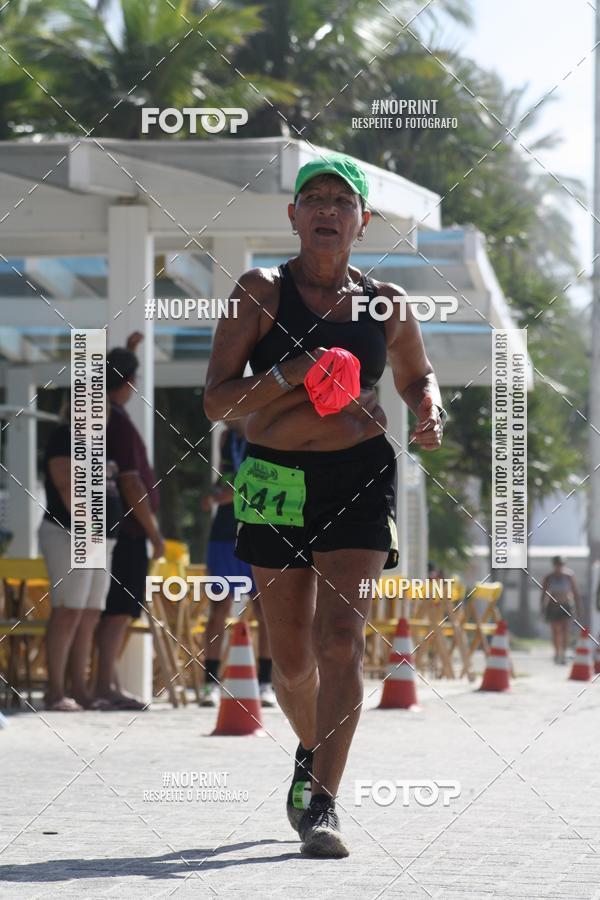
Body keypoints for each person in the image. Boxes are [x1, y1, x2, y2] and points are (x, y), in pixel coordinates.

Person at [203, 152, 445, 857]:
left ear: (362, 222)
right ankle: (313, 753)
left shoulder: (384, 303)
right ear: (294, 216)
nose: (328, 211)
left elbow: (416, 373)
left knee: (341, 640)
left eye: (343, 201)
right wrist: (289, 372)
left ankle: (324, 805)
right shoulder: (258, 292)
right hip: (273, 477)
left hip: (360, 476)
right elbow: (217, 401)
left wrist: (428, 407)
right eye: (315, 199)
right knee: (294, 662)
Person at [94, 334, 165, 710]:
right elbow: (130, 480)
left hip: (119, 531)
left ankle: (105, 682)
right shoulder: (116, 421)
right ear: (131, 383)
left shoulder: (107, 413)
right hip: (129, 532)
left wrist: (129, 352)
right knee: (118, 611)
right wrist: (154, 533)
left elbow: (115, 373)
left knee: (114, 611)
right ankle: (105, 684)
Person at [39, 399, 122, 711]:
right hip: (69, 533)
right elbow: (66, 485)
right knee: (68, 611)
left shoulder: (97, 444)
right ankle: (55, 691)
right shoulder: (65, 436)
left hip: (100, 537)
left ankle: (81, 689)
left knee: (89, 614)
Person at [200, 420, 276, 708]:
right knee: (218, 607)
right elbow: (226, 478)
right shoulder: (225, 438)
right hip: (223, 533)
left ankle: (265, 683)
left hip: (259, 528)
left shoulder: (266, 433)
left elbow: (260, 480)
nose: (224, 415)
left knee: (264, 609)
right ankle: (210, 685)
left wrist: (227, 494)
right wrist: (213, 493)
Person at [540, 555, 583, 664]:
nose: (559, 567)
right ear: (554, 565)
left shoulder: (569, 576)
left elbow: (575, 592)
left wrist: (578, 608)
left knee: (565, 631)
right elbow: (544, 594)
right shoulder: (549, 577)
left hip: (566, 605)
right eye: (557, 565)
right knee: (555, 631)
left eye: (561, 564)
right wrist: (543, 608)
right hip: (553, 607)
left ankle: (563, 653)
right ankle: (557, 652)